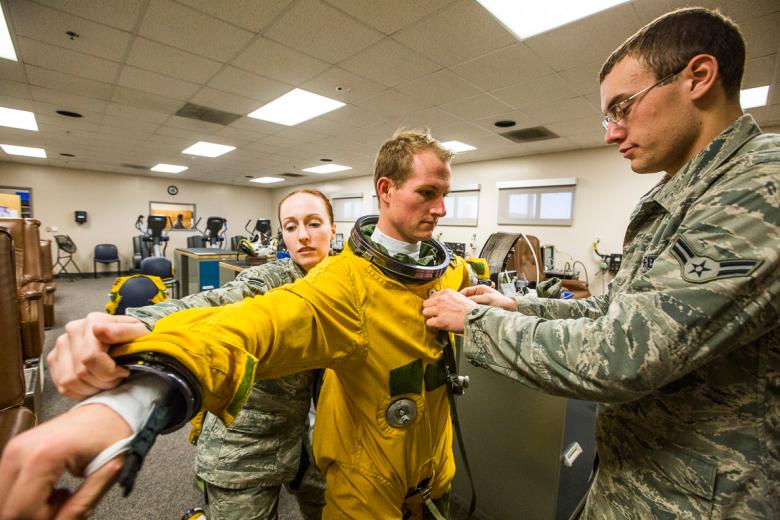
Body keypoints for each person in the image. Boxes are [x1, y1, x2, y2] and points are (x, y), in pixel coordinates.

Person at [0, 130, 481, 519]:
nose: (302, 235)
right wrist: (136, 358)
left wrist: (495, 302)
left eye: (313, 222)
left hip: (316, 447)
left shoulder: (429, 275)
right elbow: (229, 316)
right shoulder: (316, 285)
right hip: (246, 448)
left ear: (333, 229)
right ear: (385, 193)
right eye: (290, 226)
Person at [423, 7, 779, 519]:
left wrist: (476, 321)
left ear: (698, 78)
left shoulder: (760, 187)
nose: (612, 132)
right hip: (640, 476)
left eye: (623, 107)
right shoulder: (683, 194)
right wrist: (515, 306)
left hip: (703, 501)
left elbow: (623, 355)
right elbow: (615, 308)